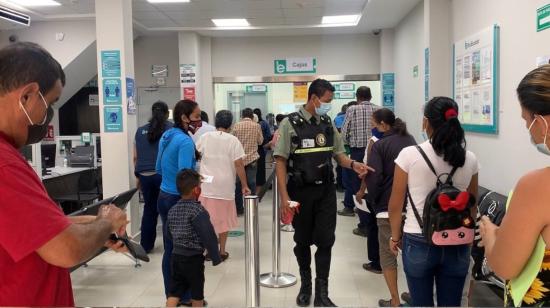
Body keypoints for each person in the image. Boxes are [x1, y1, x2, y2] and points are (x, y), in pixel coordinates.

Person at [0, 42, 128, 306]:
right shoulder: (5, 165)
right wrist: (107, 223)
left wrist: (93, 229)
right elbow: (65, 250)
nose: (48, 116)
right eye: (50, 103)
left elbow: (30, 230)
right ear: (27, 96)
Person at [274, 78, 371, 307]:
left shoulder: (327, 123)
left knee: (326, 241)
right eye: (327, 100)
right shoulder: (290, 124)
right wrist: (285, 197)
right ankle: (306, 286)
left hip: (326, 192)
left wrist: (353, 164)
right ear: (314, 98)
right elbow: (280, 161)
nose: (329, 104)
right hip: (300, 192)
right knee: (302, 241)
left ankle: (322, 293)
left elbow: (339, 154)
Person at [388, 96, 479, 306]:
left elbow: (395, 203)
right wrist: (467, 236)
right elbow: (472, 205)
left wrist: (394, 237)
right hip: (458, 241)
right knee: (451, 304)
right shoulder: (469, 158)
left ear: (426, 122)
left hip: (418, 238)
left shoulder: (409, 155)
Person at [480, 65, 550, 307]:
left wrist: (491, 235)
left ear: (540, 121)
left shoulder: (538, 186)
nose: (527, 128)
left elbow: (504, 265)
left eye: (526, 119)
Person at [358, 109, 416, 307]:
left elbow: (374, 177)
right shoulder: (411, 141)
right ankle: (415, 295)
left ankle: (395, 300)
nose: (373, 127)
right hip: (413, 208)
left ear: (383, 124)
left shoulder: (380, 145)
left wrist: (373, 201)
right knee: (411, 253)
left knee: (388, 254)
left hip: (387, 207)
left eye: (374, 124)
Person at [156, 99, 201, 302]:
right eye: (197, 117)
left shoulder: (166, 135)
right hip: (179, 199)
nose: (199, 121)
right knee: (186, 251)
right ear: (184, 117)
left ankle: (171, 295)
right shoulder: (184, 141)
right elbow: (185, 177)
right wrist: (199, 177)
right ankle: (186, 296)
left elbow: (158, 168)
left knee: (170, 248)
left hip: (164, 196)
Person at [196, 110, 251, 260]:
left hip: (207, 183)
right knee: (223, 219)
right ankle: (222, 251)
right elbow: (239, 164)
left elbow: (196, 155)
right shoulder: (233, 140)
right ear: (231, 124)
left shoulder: (205, 137)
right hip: (225, 184)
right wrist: (244, 185)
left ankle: (208, 251)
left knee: (207, 219)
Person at [166, 169, 222, 308]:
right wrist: (215, 256)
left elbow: (168, 233)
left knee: (174, 292)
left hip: (176, 256)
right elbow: (208, 236)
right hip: (193, 260)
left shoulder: (172, 209)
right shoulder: (198, 211)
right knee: (197, 294)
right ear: (196, 190)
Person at [342, 86, 382, 272]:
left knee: (357, 185)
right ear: (371, 96)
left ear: (357, 97)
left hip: (357, 150)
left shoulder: (352, 109)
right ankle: (371, 221)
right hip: (377, 148)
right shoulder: (377, 108)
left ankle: (363, 223)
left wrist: (345, 147)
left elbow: (344, 131)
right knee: (371, 186)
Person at [134, 101, 172, 253]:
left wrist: (137, 177)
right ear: (167, 114)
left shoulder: (140, 131)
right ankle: (170, 244)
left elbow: (135, 157)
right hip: (162, 174)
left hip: (144, 175)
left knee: (149, 209)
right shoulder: (170, 129)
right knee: (167, 210)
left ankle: (146, 245)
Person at [232, 108, 263, 215]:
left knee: (238, 184)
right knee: (251, 183)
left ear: (242, 115)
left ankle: (239, 209)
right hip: (252, 159)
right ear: (252, 116)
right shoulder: (257, 126)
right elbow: (260, 141)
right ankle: (251, 209)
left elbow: (232, 141)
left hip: (238, 160)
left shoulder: (236, 125)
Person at [253, 108, 273, 195]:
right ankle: (260, 189)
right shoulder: (264, 123)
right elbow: (268, 135)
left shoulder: (254, 125)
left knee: (253, 170)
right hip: (262, 149)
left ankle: (253, 189)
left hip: (253, 150)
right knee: (261, 170)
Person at [333, 103, 352, 192]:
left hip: (340, 146)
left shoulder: (337, 119)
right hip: (349, 146)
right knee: (348, 165)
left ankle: (340, 185)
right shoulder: (346, 117)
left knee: (340, 166)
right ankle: (344, 185)